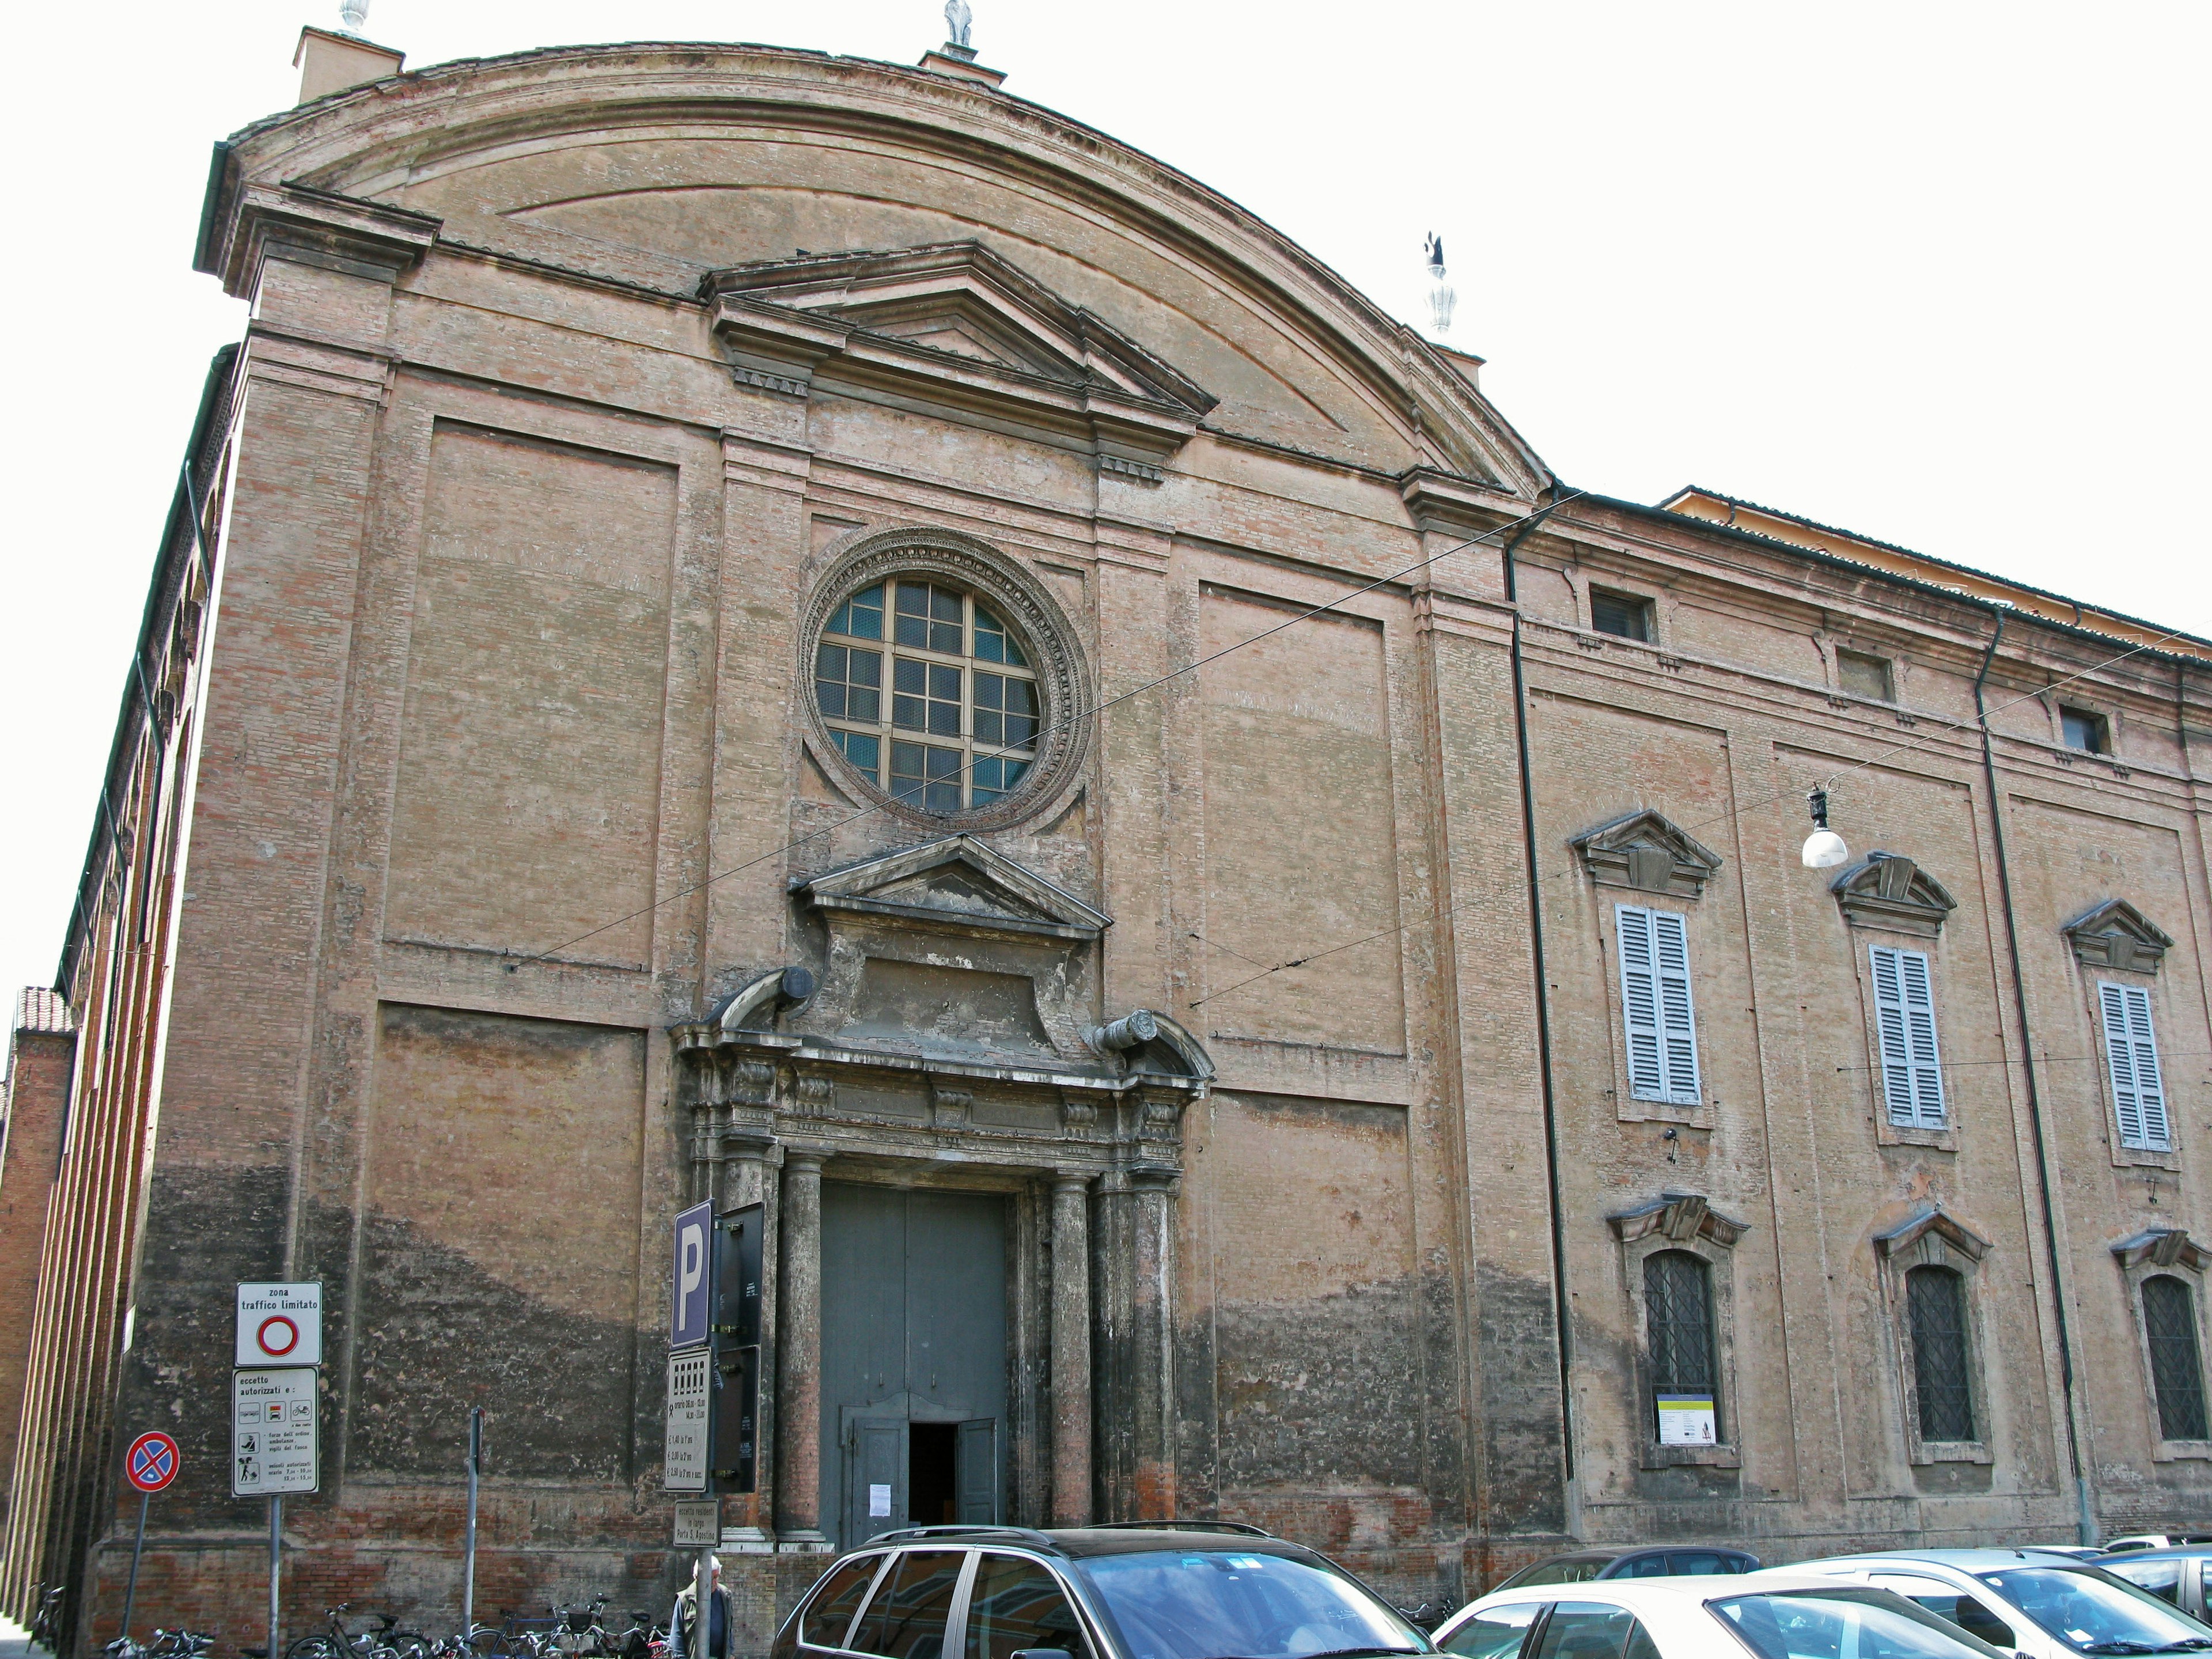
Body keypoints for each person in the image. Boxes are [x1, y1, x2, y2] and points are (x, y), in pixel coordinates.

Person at [670, 1556, 736, 1659]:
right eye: (710, 1579)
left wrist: (730, 1652)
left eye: (716, 1577)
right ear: (697, 1577)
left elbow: (729, 1627)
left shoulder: (725, 1595)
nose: (714, 1583)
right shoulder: (684, 1599)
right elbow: (676, 1634)